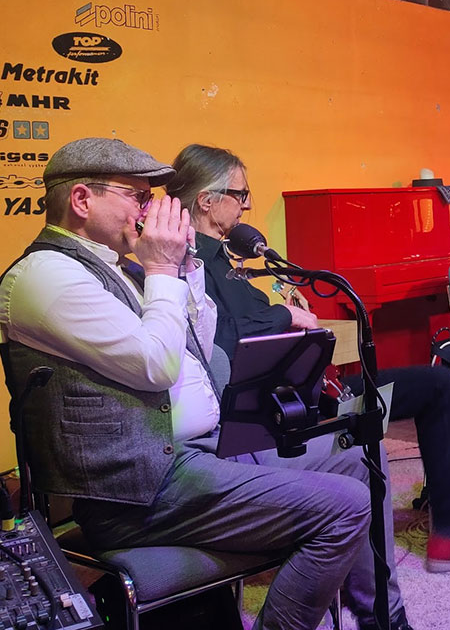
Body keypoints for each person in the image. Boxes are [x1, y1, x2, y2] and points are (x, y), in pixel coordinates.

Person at [0, 138, 373, 630]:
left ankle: (383, 616)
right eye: (136, 194)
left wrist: (183, 266)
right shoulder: (45, 277)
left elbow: (199, 337)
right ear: (82, 200)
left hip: (200, 454)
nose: (149, 208)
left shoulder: (118, 269)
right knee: (345, 507)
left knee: (358, 461)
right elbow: (154, 363)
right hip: (139, 491)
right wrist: (159, 268)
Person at [165, 143, 450, 630]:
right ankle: (394, 593)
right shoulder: (191, 265)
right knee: (371, 434)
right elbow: (225, 338)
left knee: (437, 383)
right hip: (283, 409)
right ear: (207, 200)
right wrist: (286, 314)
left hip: (312, 389)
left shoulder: (231, 258)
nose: (248, 205)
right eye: (240, 194)